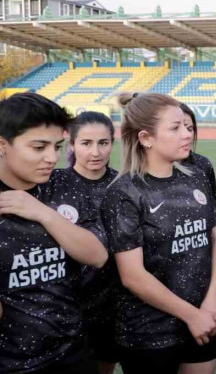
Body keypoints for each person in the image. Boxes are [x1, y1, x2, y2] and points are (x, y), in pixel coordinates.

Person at [101, 93, 216, 374]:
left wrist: (211, 298)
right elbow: (132, 276)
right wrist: (191, 315)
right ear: (146, 138)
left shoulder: (196, 177)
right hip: (149, 333)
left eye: (186, 126)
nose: (187, 134)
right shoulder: (124, 193)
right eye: (175, 128)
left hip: (203, 319)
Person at [0, 93, 108, 374]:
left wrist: (41, 212)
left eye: (57, 146)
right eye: (39, 147)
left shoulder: (65, 185)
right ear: (2, 145)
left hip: (74, 353)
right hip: (12, 362)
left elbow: (96, 255)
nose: (52, 158)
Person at [62, 111, 120, 374]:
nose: (95, 152)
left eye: (103, 143)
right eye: (86, 143)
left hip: (115, 304)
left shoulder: (123, 185)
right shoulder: (53, 185)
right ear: (71, 144)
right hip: (66, 307)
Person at [179, 103, 216, 198]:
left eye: (190, 129)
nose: (187, 135)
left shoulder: (203, 164)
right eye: (176, 128)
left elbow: (212, 207)